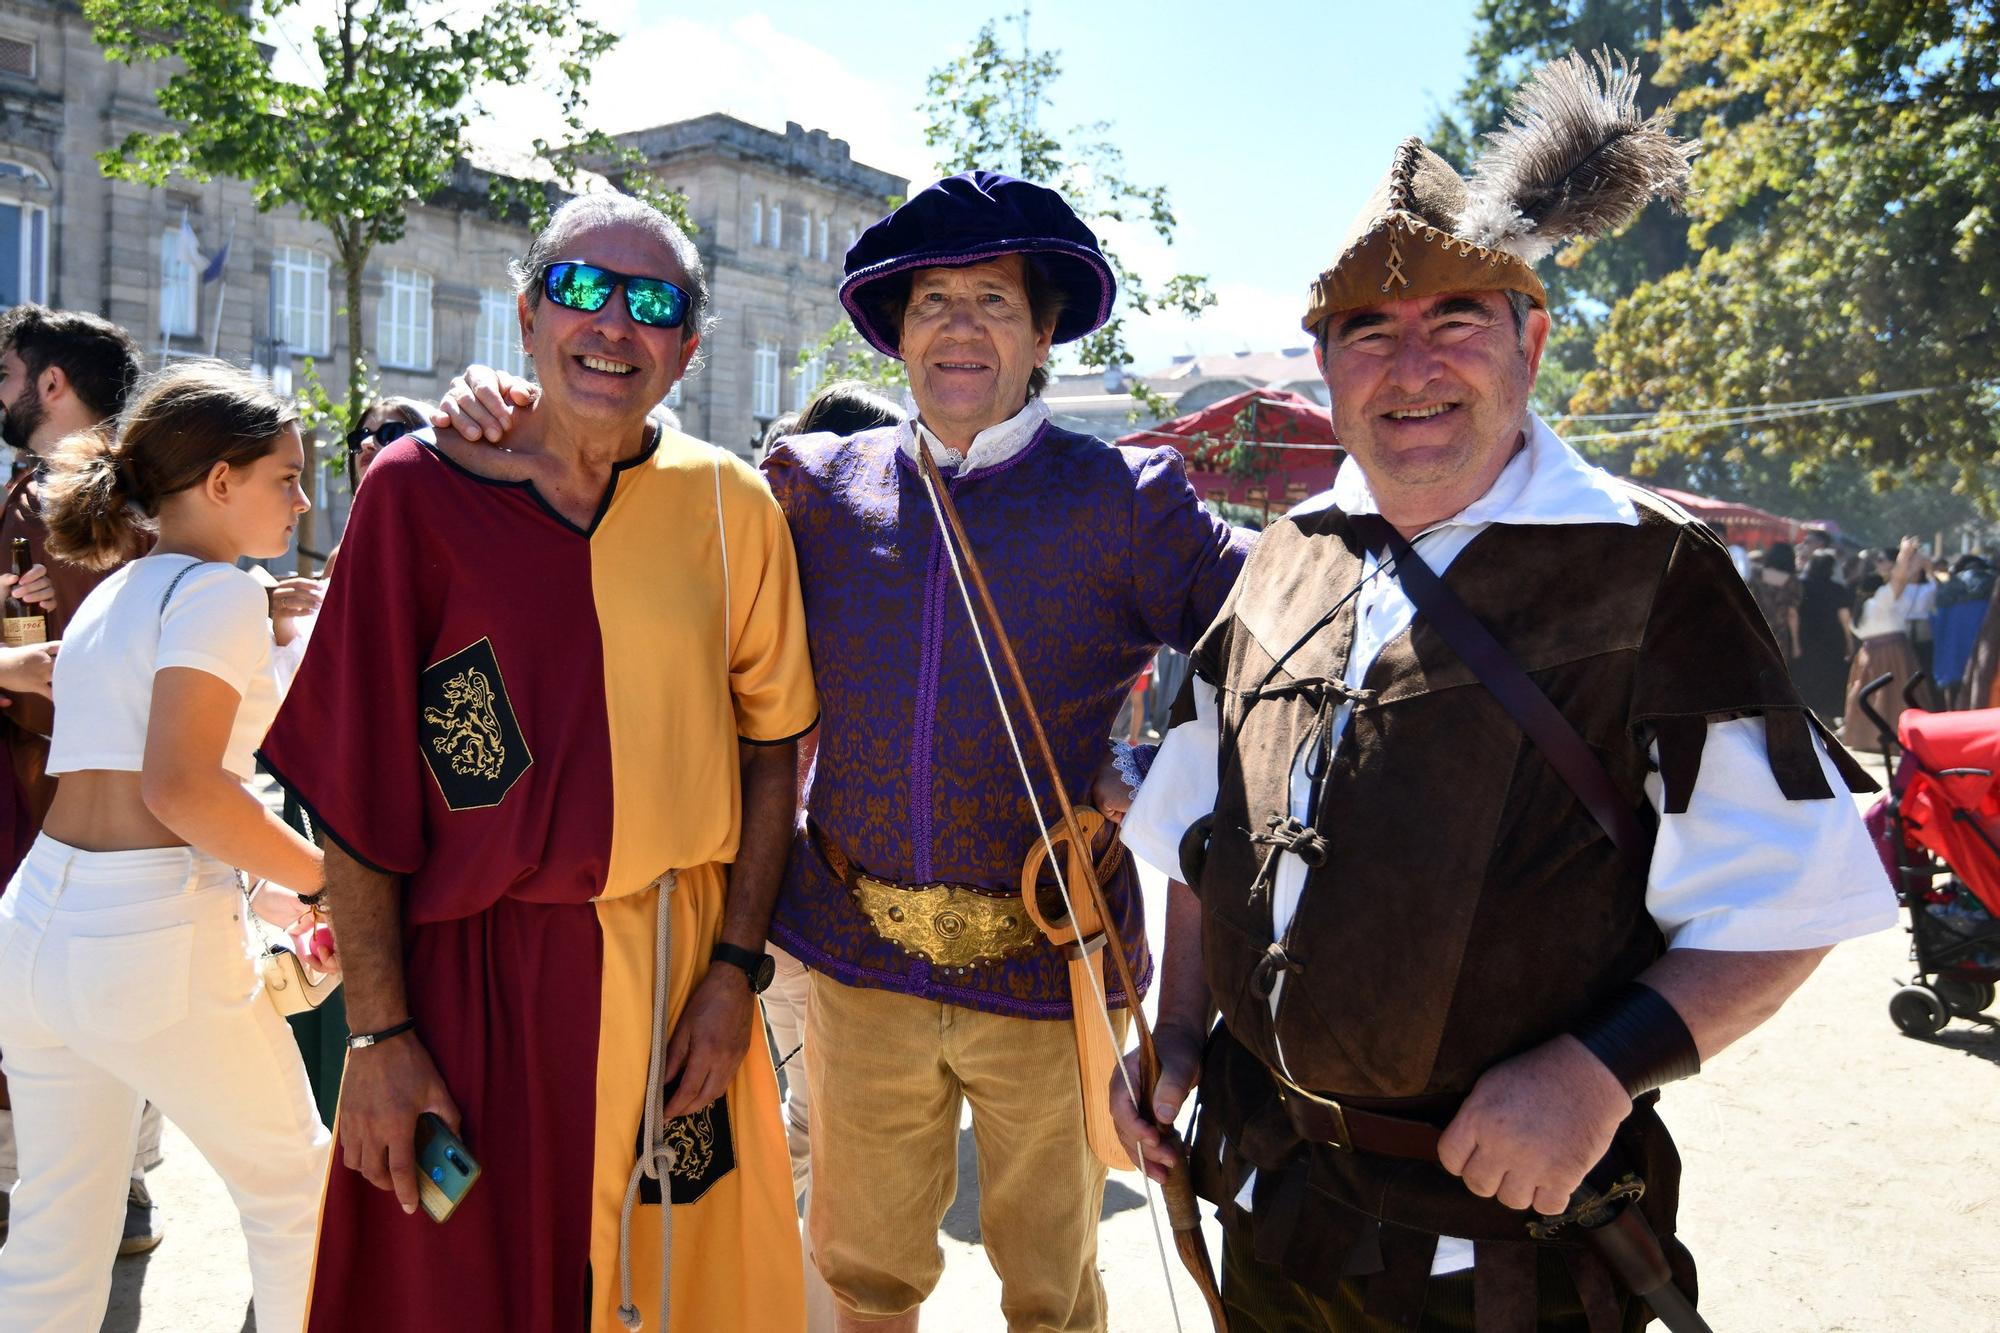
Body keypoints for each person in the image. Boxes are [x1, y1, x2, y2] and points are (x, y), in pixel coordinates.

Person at [1113, 51, 1894, 1331]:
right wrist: (1182, 1035)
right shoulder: (1285, 559)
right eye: (1368, 331)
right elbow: (1201, 839)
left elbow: (1789, 894)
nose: (1408, 366)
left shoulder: (1644, 572)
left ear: (1529, 339)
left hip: (1504, 1258)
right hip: (1266, 1207)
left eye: (1453, 322)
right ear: (1326, 365)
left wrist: (1596, 1074)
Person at [436, 170, 1251, 1333]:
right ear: (896, 333)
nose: (958, 327)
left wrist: (1161, 783)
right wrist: (507, 414)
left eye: (991, 301)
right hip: (856, 974)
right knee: (862, 1278)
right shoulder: (810, 486)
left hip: (1041, 965)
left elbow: (1287, 633)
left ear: (1042, 334)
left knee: (1052, 1291)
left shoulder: (1124, 497)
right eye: (931, 303)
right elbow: (646, 503)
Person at [262, 191, 818, 1332]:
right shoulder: (420, 491)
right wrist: (376, 1034)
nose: (612, 323)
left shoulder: (731, 507)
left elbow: (773, 751)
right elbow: (356, 786)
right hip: (471, 981)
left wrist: (733, 974)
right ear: (525, 316)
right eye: (580, 289)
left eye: (651, 302)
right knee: (456, 1291)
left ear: (686, 348)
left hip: (674, 975)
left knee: (679, 1297)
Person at [0, 362, 330, 1330]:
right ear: (219, 482)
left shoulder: (118, 589)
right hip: (143, 933)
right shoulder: (218, 593)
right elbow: (180, 788)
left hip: (37, 925)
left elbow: (139, 778)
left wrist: (260, 884)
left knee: (57, 1227)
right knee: (297, 1192)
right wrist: (324, 883)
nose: (303, 499)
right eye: (286, 476)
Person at [0, 304, 162, 1254]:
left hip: (52, 792)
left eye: (10, 376)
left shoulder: (79, 494)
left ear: (51, 382)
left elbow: (63, 666)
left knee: (52, 1001)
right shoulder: (138, 490)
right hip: (93, 788)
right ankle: (120, 1188)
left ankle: (72, 1192)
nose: (5, 394)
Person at [1841, 540, 1936, 750]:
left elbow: (1901, 580)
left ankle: (1867, 739)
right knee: (1897, 695)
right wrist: (1904, 553)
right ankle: (1901, 737)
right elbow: (1899, 579)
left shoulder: (1862, 608)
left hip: (1867, 654)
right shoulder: (1880, 602)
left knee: (1871, 697)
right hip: (1893, 652)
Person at [1794, 549, 1852, 721]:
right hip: (1832, 639)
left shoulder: (1800, 584)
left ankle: (1809, 713)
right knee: (1830, 676)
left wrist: (1795, 640)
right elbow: (1844, 617)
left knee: (1807, 675)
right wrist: (1849, 642)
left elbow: (1794, 613)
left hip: (1806, 637)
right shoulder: (1837, 588)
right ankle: (1826, 715)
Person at [1748, 541, 1801, 659]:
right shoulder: (1792, 583)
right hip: (1777, 636)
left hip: (1753, 629)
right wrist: (1796, 643)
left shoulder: (1756, 574)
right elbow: (1792, 614)